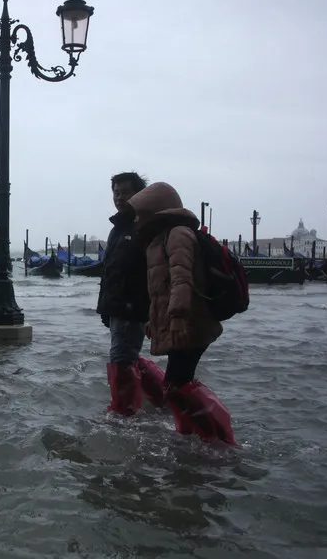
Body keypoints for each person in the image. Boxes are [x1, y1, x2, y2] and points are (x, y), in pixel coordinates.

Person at [126, 181, 237, 445]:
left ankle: (217, 440)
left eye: (143, 212)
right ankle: (191, 434)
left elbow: (181, 280)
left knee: (177, 384)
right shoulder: (158, 240)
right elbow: (159, 290)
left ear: (158, 210)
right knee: (179, 383)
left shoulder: (177, 235)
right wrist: (155, 321)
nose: (138, 219)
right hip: (182, 322)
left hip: (191, 323)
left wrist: (177, 315)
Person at [95, 172, 165, 415]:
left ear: (139, 195)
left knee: (122, 359)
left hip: (132, 307)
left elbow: (155, 271)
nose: (120, 197)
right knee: (128, 356)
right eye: (116, 192)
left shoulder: (144, 227)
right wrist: (105, 307)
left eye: (126, 192)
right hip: (116, 306)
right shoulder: (118, 228)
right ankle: (162, 400)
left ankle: (123, 414)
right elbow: (111, 271)